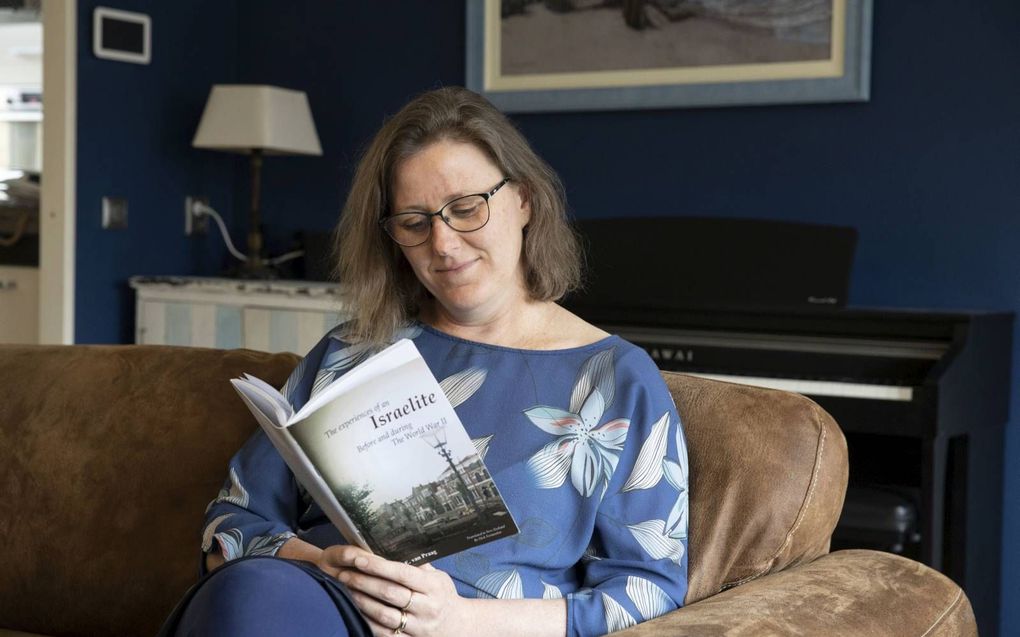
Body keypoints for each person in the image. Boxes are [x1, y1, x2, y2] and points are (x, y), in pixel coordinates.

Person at [160, 86, 689, 637]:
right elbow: (230, 524)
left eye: (466, 208)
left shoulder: (616, 380)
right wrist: (320, 562)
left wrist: (459, 620)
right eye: (414, 222)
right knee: (253, 591)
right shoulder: (352, 351)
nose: (443, 243)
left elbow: (649, 589)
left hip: (476, 628)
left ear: (525, 200)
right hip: (314, 606)